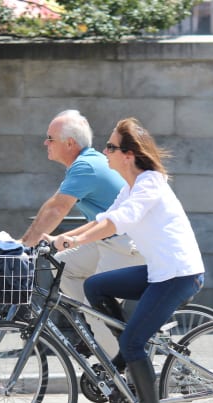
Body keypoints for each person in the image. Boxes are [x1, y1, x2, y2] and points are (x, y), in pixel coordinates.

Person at [43, 117, 205, 403]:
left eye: (111, 147)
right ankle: (120, 360)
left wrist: (74, 240)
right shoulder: (130, 186)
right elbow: (106, 218)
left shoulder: (150, 182)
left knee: (134, 342)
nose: (105, 152)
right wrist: (63, 239)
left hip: (179, 275)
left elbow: (120, 221)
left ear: (128, 155)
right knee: (95, 286)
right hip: (159, 272)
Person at [20, 109, 145, 357]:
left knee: (96, 310)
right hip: (108, 240)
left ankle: (127, 375)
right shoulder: (86, 163)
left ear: (69, 143)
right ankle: (99, 325)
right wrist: (44, 241)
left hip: (124, 244)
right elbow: (56, 203)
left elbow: (57, 208)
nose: (45, 143)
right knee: (63, 263)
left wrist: (23, 246)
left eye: (50, 138)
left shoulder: (86, 166)